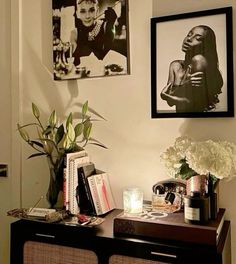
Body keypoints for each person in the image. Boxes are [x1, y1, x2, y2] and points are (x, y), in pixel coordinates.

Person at [160, 25, 223, 113]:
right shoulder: (175, 65)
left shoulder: (199, 60)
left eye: (198, 38)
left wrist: (165, 95)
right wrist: (185, 85)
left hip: (202, 121)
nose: (189, 39)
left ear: (205, 45)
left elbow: (192, 103)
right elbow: (170, 102)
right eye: (189, 35)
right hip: (181, 120)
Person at [70, 0, 117, 66]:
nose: (87, 16)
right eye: (83, 11)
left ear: (97, 11)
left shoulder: (104, 26)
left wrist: (111, 24)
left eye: (91, 10)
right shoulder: (74, 33)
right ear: (77, 14)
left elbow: (110, 52)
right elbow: (71, 59)